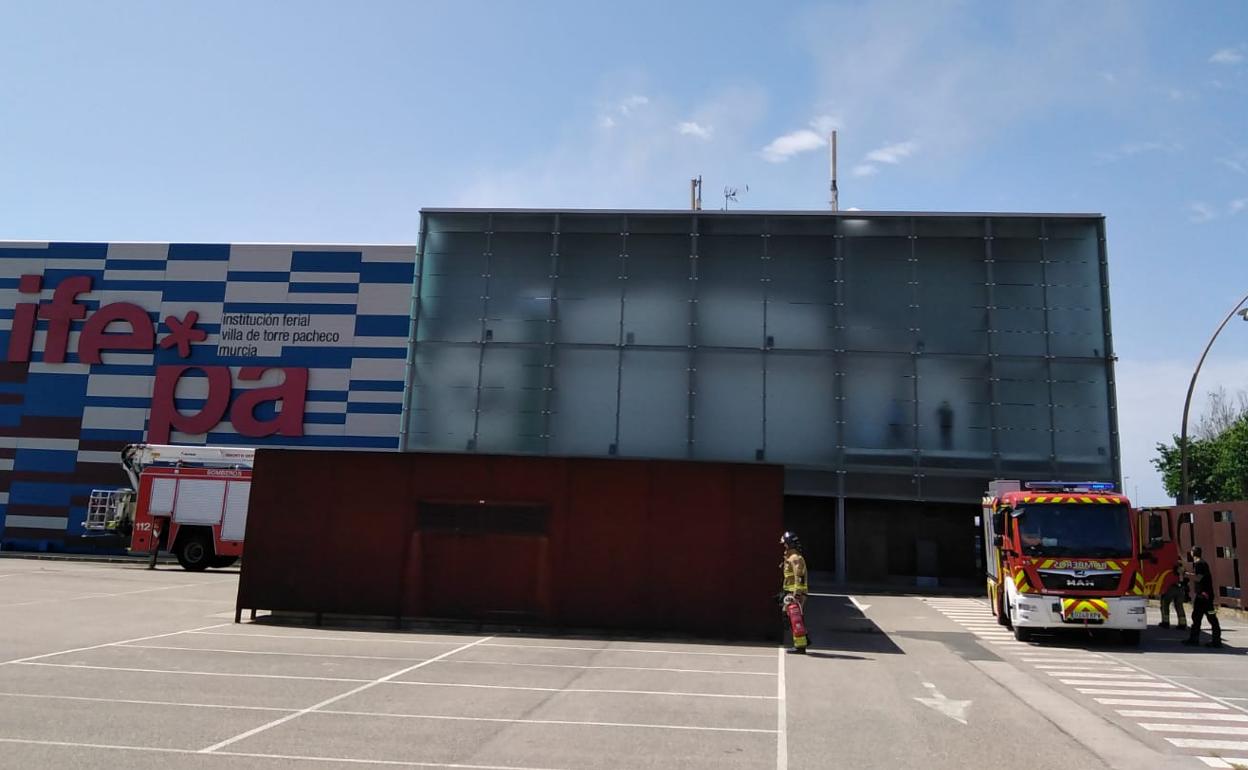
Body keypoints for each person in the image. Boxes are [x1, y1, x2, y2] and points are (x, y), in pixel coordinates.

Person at [1182, 546, 1222, 649]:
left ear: (1193, 553)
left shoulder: (1199, 564)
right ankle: (1213, 640)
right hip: (1205, 596)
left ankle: (1199, 640)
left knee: (1204, 617)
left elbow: (1198, 578)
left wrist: (1185, 574)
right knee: (1202, 617)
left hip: (1204, 596)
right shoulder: (1202, 563)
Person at [780, 531, 809, 654]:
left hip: (794, 594)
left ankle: (800, 647)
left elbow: (799, 576)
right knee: (792, 619)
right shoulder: (790, 557)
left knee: (795, 620)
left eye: (785, 544)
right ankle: (804, 640)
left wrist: (796, 594)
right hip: (790, 593)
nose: (784, 546)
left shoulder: (795, 558)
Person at [1158, 560, 1188, 630]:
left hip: (1171, 587)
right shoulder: (1182, 566)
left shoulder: (1170, 565)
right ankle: (1182, 623)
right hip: (1181, 588)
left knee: (1165, 603)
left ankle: (1165, 622)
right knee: (1179, 605)